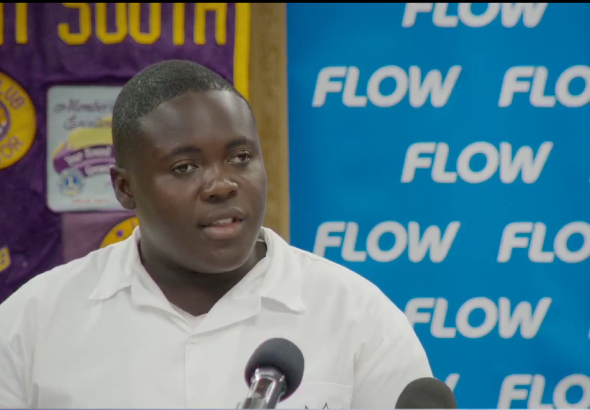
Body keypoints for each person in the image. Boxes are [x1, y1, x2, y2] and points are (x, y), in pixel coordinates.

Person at [0, 60, 432, 409]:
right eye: (184, 167)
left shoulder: (358, 317)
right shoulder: (34, 322)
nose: (222, 185)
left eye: (240, 158)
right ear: (125, 187)